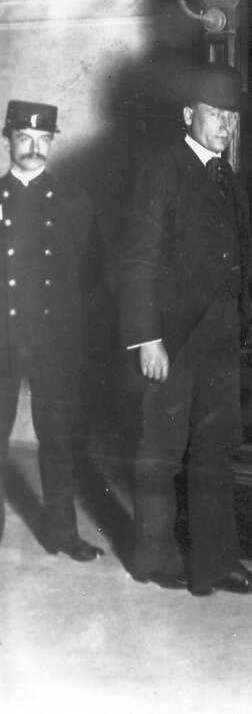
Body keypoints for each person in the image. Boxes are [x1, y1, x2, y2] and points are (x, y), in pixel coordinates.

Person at [120, 62, 252, 594]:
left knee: (216, 456)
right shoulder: (162, 171)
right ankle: (155, 558)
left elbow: (244, 257)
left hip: (221, 339)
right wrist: (147, 339)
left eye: (231, 117)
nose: (225, 125)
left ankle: (217, 565)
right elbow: (138, 262)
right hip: (171, 342)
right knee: (160, 455)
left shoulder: (229, 177)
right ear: (189, 114)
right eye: (215, 114)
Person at [0, 100, 104, 562]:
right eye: (24, 138)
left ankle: (62, 534)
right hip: (2, 337)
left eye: (43, 140)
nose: (34, 148)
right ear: (7, 140)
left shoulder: (74, 202)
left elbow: (93, 273)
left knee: (59, 441)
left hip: (54, 339)